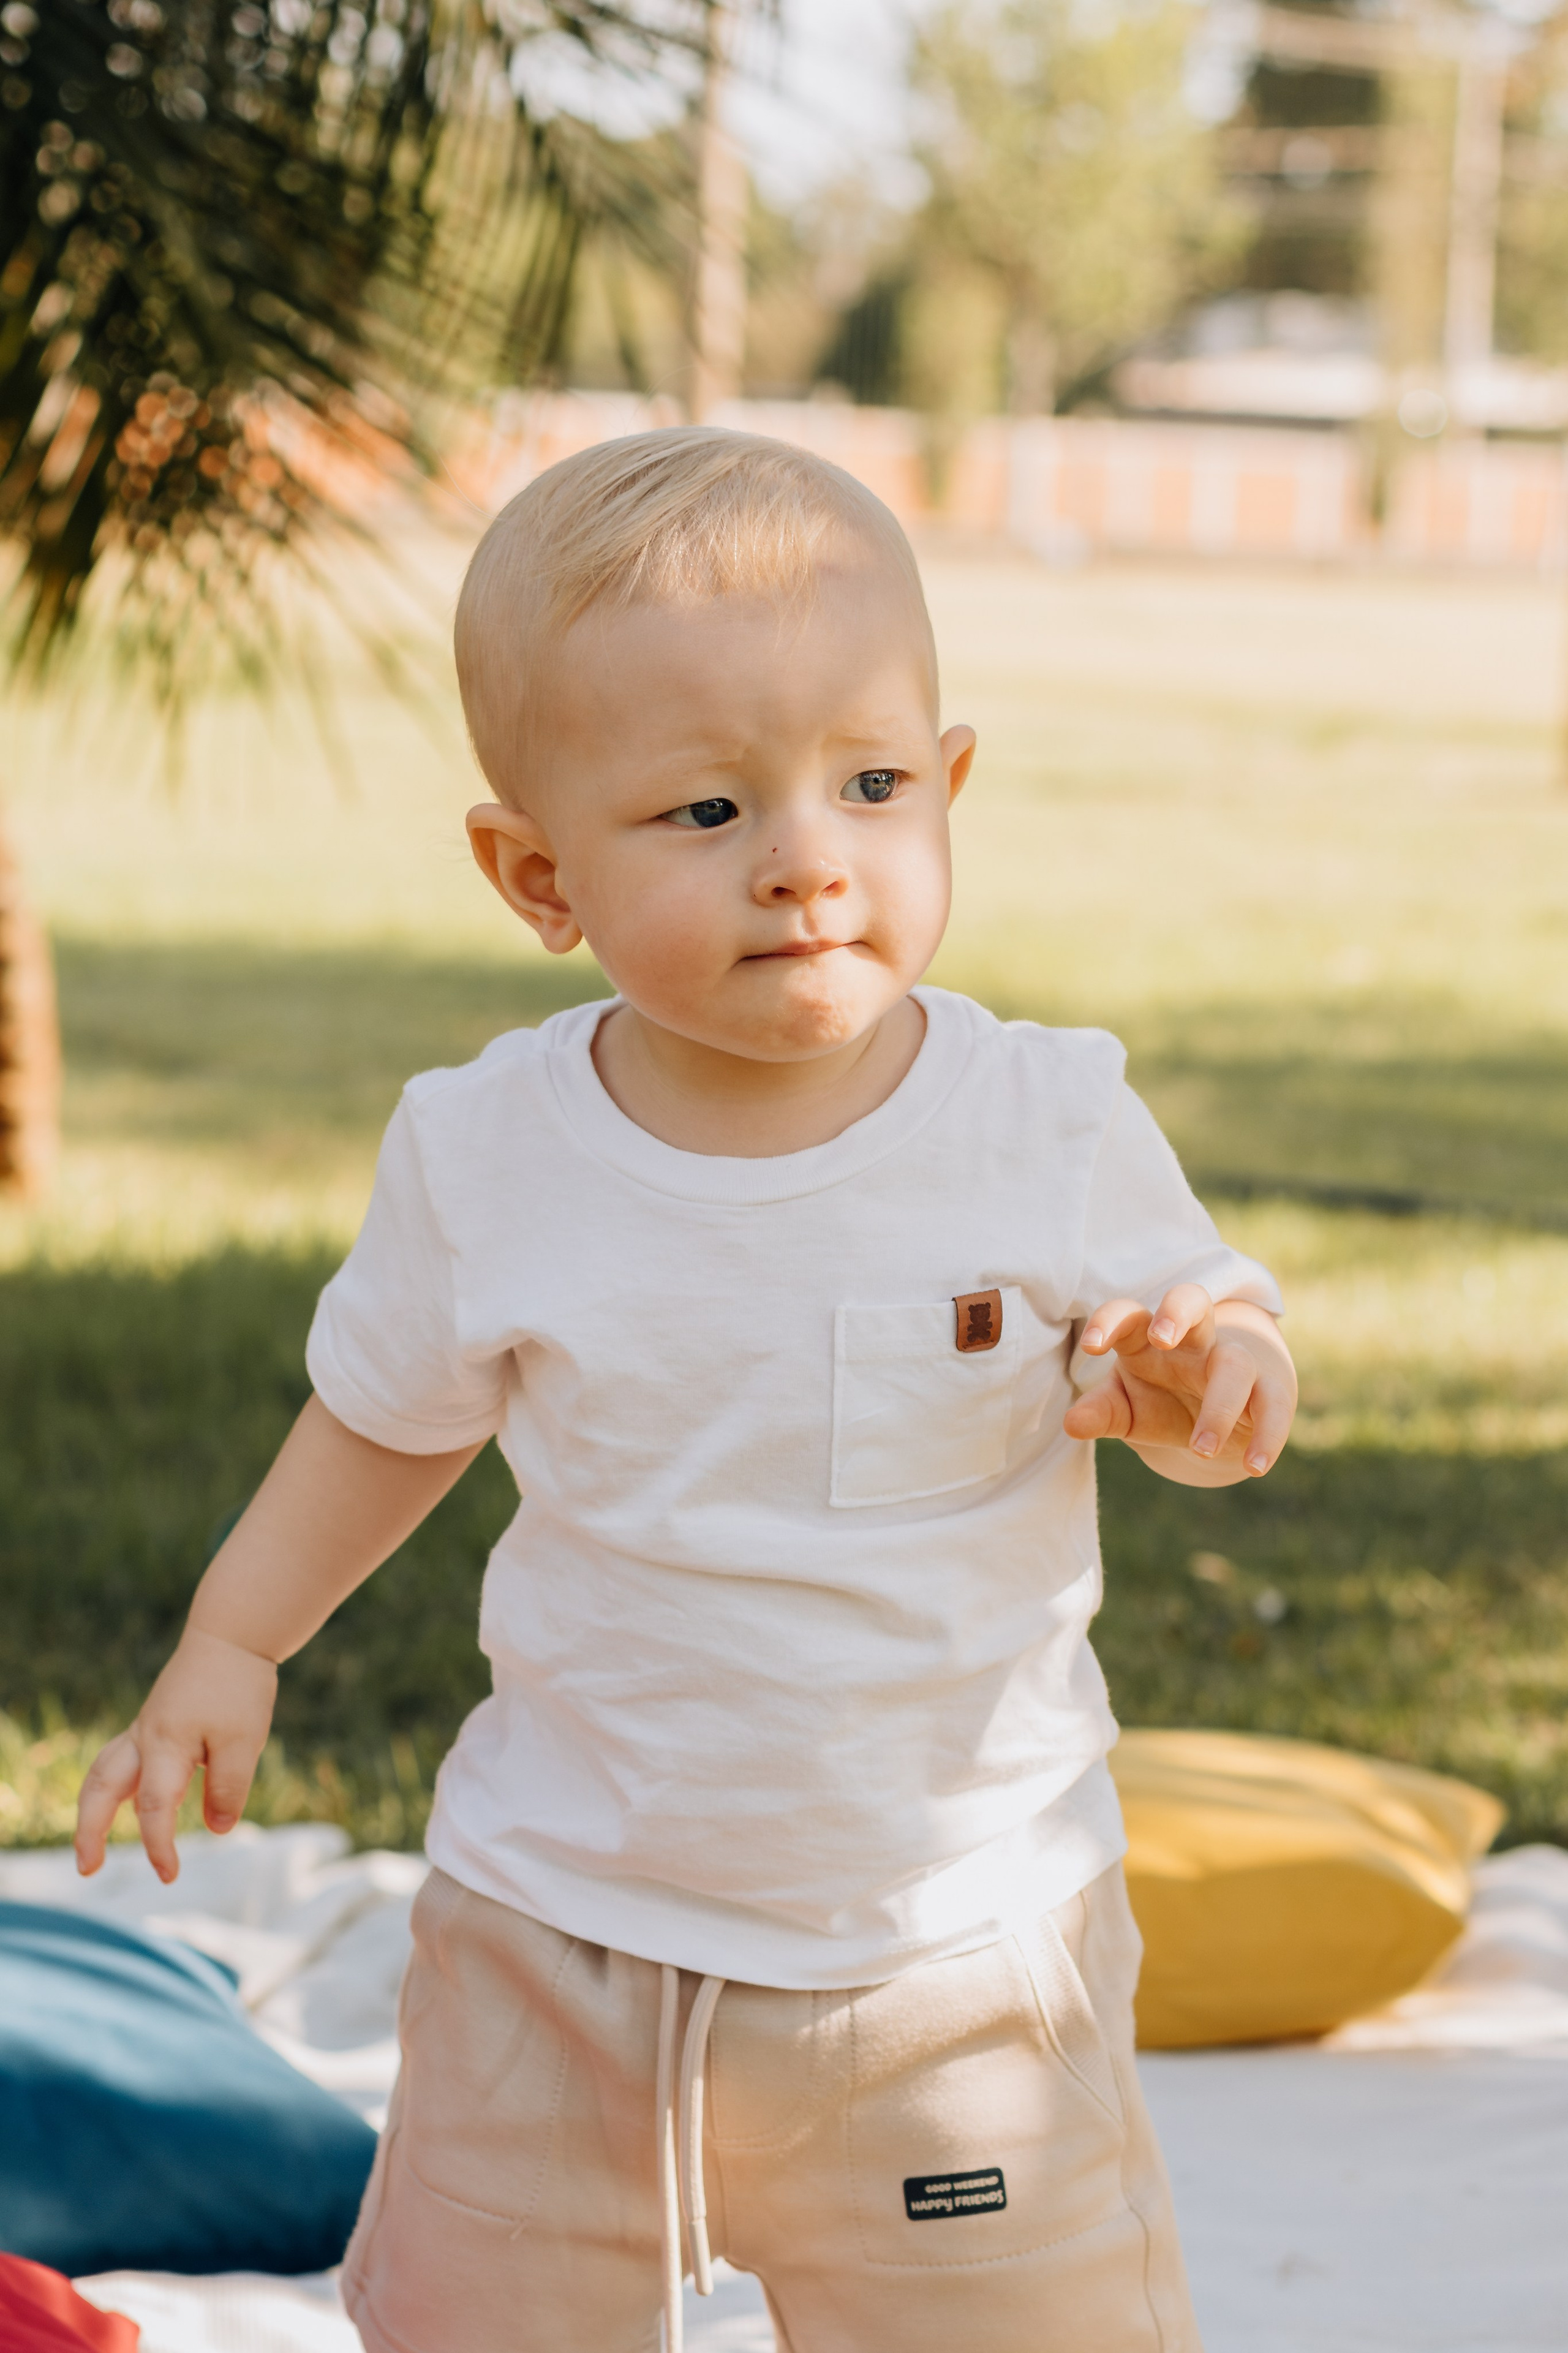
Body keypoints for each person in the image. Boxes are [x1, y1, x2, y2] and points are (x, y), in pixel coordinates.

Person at [75, 428, 1297, 2353]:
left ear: (950, 785)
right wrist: (235, 1640)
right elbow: (387, 1416)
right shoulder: (490, 1151)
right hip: (556, 1941)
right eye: (707, 811)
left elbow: (1208, 1325)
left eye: (874, 782)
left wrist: (1210, 1382)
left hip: (948, 1960)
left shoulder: (1039, 1118)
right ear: (534, 872)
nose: (809, 854)